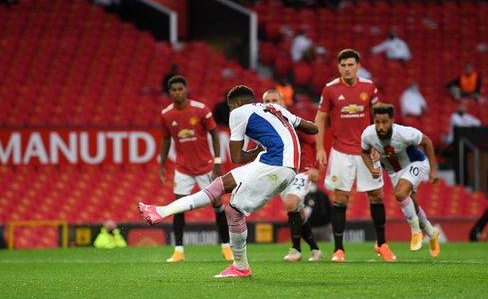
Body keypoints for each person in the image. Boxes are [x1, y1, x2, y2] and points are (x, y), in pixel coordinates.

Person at [140, 85, 319, 277]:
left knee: (233, 212)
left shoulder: (239, 112)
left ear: (238, 103)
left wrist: (254, 151)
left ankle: (241, 267)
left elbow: (236, 157)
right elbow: (313, 128)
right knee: (219, 185)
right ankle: (161, 210)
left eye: (231, 106)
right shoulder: (276, 108)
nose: (230, 111)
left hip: (275, 164)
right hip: (281, 164)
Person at [315, 48, 396, 262]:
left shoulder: (368, 87)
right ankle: (339, 250)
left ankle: (382, 244)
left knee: (376, 195)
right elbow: (320, 118)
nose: (347, 68)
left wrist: (381, 144)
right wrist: (320, 148)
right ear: (338, 67)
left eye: (351, 64)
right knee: (340, 198)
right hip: (341, 151)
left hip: (367, 150)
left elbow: (381, 118)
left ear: (358, 66)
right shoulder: (330, 89)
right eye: (343, 65)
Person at [158, 76, 232, 263]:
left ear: (186, 89)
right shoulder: (166, 114)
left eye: (180, 89)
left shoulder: (200, 109)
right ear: (170, 92)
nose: (177, 92)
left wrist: (217, 163)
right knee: (178, 208)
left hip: (206, 167)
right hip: (183, 169)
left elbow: (215, 134)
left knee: (218, 207)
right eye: (173, 89)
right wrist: (162, 163)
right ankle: (178, 251)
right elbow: (166, 139)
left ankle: (226, 248)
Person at [360, 104, 440, 257]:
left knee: (400, 193)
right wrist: (371, 168)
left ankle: (416, 232)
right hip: (394, 173)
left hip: (415, 163)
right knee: (410, 201)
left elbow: (427, 142)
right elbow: (364, 152)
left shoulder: (404, 133)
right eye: (377, 122)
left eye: (384, 122)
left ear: (392, 121)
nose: (381, 126)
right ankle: (431, 231)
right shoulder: (368, 134)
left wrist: (433, 171)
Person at [262, 90, 322, 262]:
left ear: (283, 103)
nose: (271, 103)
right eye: (268, 100)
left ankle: (296, 250)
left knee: (290, 203)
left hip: (301, 170)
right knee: (297, 211)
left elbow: (313, 142)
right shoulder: (263, 125)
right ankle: (315, 249)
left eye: (275, 100)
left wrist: (315, 167)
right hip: (281, 172)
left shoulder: (292, 121)